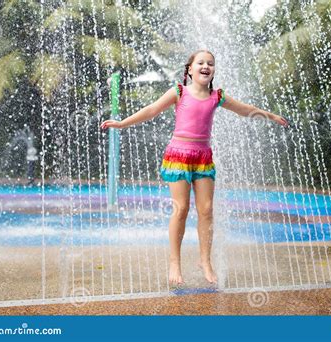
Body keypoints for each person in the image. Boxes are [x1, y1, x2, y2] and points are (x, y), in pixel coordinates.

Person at [101, 50, 289, 286]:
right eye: (200, 63)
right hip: (178, 156)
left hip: (203, 157)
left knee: (207, 209)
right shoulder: (179, 92)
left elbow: (243, 110)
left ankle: (205, 261)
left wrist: (270, 116)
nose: (206, 66)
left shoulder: (216, 97)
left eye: (210, 63)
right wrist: (121, 123)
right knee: (181, 209)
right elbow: (151, 110)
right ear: (189, 69)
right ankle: (174, 263)